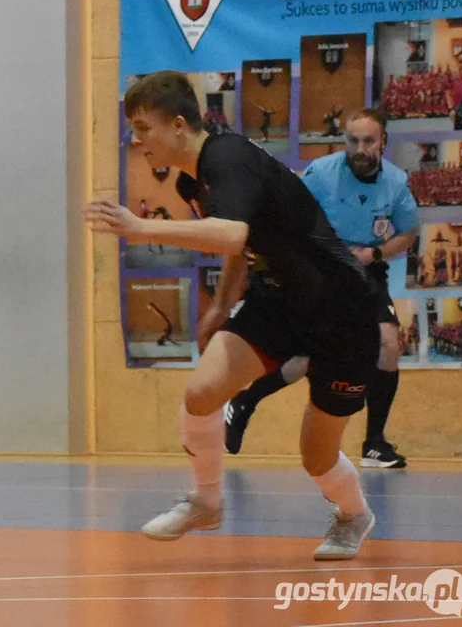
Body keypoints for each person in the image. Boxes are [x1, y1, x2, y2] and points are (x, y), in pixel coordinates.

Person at [84, 70, 381, 560]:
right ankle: (206, 500)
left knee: (316, 456)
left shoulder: (228, 157)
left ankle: (354, 515)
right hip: (278, 300)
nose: (137, 142)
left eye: (143, 129)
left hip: (339, 308)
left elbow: (230, 234)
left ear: (178, 125)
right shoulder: (191, 180)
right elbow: (241, 244)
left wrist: (138, 228)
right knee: (202, 393)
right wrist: (222, 303)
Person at [224, 108, 419, 469]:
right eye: (353, 140)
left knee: (389, 345)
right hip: (321, 271)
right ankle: (244, 401)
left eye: (368, 141)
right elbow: (286, 216)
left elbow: (408, 233)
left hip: (365, 273)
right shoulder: (320, 175)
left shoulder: (395, 182)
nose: (360, 149)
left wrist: (375, 252)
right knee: (305, 358)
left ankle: (375, 444)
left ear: (383, 143)